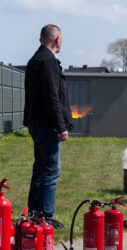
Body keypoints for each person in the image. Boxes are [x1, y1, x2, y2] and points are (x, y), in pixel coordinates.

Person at [23, 24, 73, 228]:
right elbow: (53, 98)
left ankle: (34, 214)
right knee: (51, 170)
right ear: (57, 40)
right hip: (47, 125)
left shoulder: (34, 60)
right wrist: (61, 126)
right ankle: (45, 216)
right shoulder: (48, 61)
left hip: (36, 123)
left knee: (40, 168)